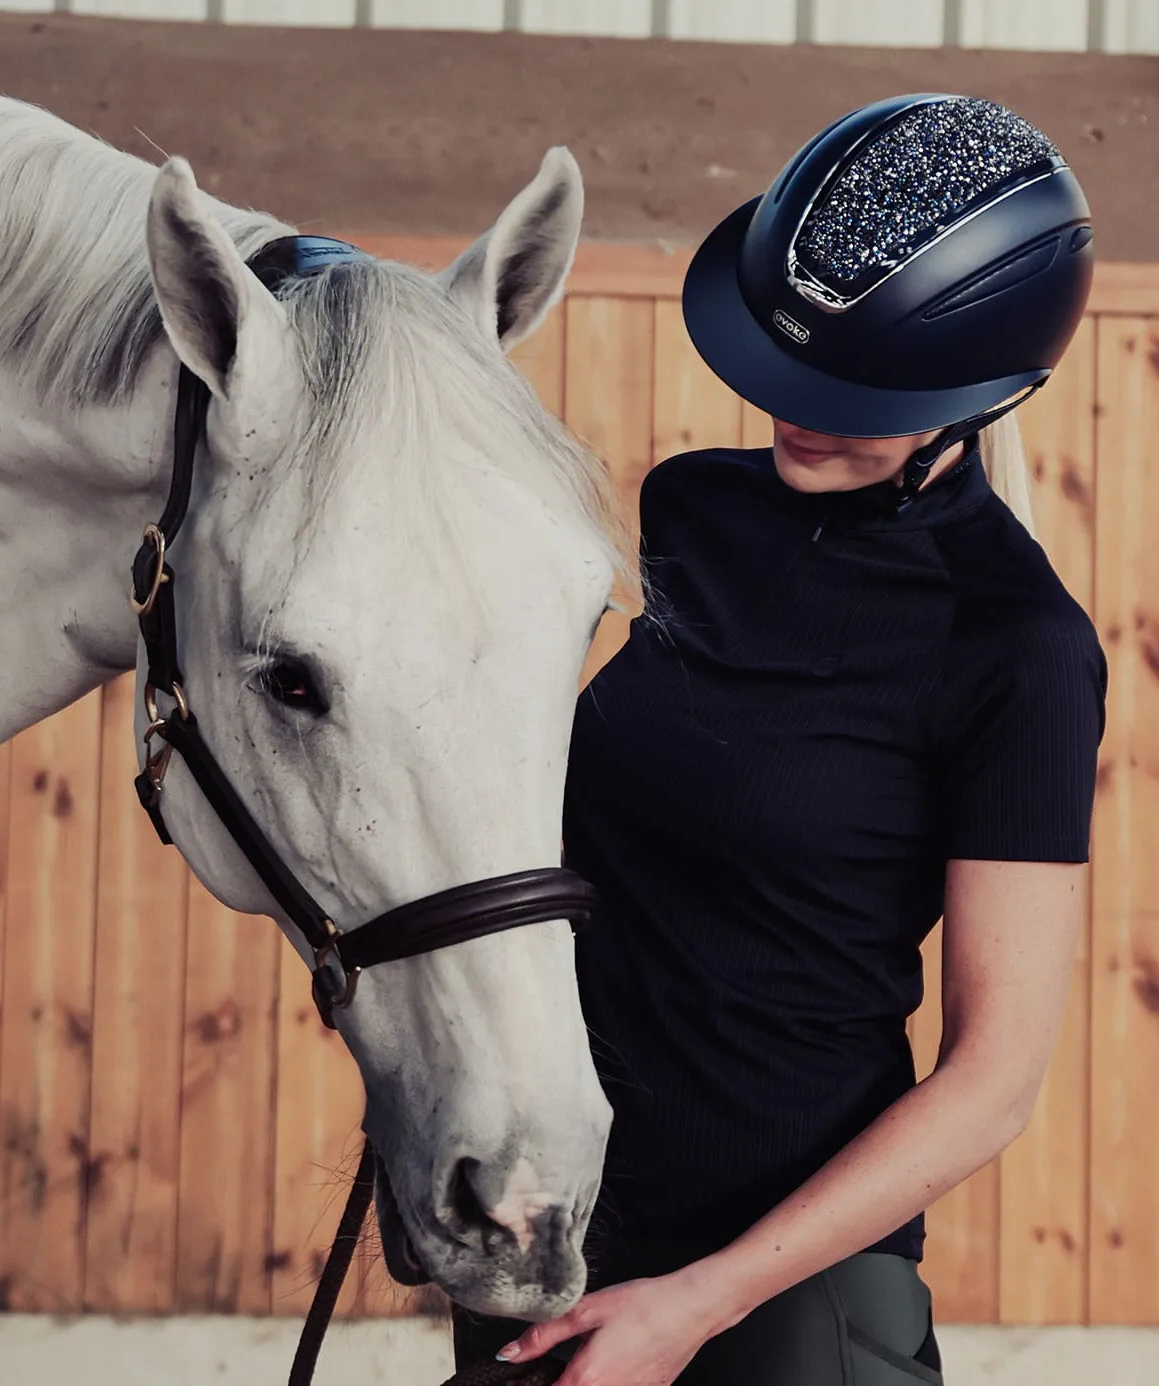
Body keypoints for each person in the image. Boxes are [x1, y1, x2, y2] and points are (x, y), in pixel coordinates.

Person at [452, 93, 1107, 1386]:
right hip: (559, 1224)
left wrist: (698, 1301)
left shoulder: (1016, 647)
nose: (793, 411)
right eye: (782, 366)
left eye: (854, 391)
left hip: (786, 1287)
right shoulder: (693, 510)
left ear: (983, 387)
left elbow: (992, 1079)